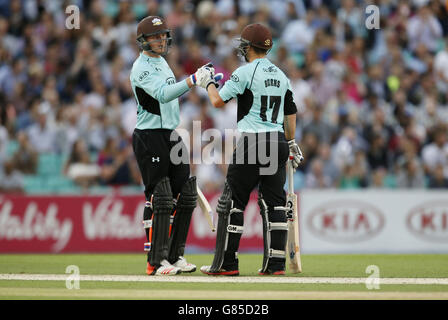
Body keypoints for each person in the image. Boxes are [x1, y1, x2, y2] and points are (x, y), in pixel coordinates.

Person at [199, 23, 303, 276]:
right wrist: (289, 142)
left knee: (232, 202)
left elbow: (216, 101)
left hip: (252, 142)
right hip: (278, 141)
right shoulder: (282, 76)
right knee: (274, 204)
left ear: (248, 47)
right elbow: (290, 119)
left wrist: (207, 83)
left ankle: (226, 264)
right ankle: (275, 265)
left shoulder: (245, 72)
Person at [129, 16, 222, 276]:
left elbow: (172, 91)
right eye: (155, 37)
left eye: (162, 35)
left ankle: (174, 255)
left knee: (186, 192)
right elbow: (163, 94)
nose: (160, 40)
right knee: (159, 196)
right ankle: (155, 261)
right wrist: (193, 80)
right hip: (149, 135)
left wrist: (203, 82)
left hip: (169, 133)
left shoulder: (161, 63)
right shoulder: (141, 68)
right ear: (143, 41)